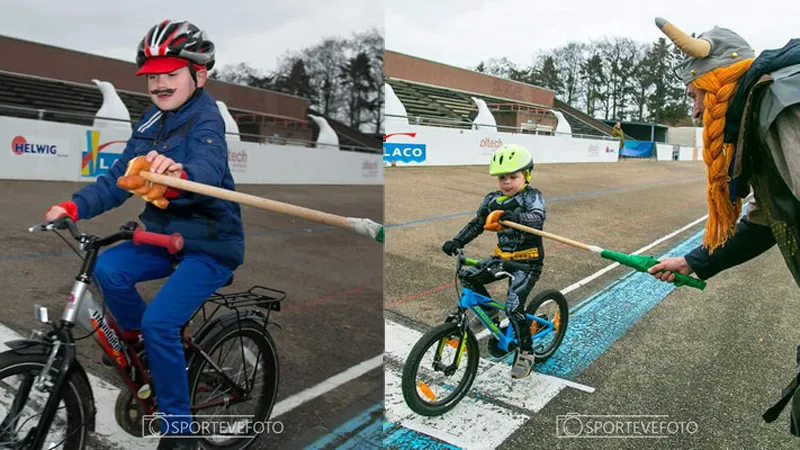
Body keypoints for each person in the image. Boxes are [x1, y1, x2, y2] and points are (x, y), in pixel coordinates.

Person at [44, 19, 244, 450]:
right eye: (153, 76)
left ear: (199, 75)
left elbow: (206, 172)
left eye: (171, 73)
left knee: (160, 322)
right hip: (161, 238)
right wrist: (74, 206)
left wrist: (177, 180)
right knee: (107, 268)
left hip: (209, 246)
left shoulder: (206, 120)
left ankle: (178, 429)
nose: (160, 83)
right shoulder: (151, 119)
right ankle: (146, 356)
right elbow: (120, 176)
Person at [647, 18, 800, 436]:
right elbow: (765, 220)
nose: (695, 110)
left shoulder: (781, 102)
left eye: (696, 95)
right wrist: (693, 260)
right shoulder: (759, 112)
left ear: (718, 83)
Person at [441, 144, 546, 379]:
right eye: (502, 178)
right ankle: (489, 310)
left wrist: (516, 217)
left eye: (513, 177)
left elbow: (537, 219)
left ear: (526, 175)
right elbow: (478, 223)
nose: (507, 182)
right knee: (468, 276)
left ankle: (526, 352)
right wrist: (457, 241)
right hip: (501, 258)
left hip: (527, 263)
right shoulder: (492, 199)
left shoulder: (532, 196)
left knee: (513, 306)